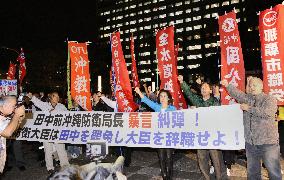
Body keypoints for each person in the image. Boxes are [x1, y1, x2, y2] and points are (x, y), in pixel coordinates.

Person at [221, 77, 282, 179]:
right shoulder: (248, 98)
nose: (252, 87)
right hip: (251, 143)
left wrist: (249, 108)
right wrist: (227, 85)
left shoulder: (269, 99)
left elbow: (268, 112)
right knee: (253, 173)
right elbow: (238, 94)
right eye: (250, 85)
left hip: (268, 143)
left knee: (273, 171)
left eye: (255, 85)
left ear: (261, 86)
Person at [178, 75, 227, 180]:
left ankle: (220, 177)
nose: (203, 89)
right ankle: (206, 177)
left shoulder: (215, 102)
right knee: (202, 157)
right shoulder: (197, 101)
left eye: (206, 87)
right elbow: (189, 93)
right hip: (200, 134)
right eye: (202, 87)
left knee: (216, 158)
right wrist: (182, 82)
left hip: (213, 134)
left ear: (210, 90)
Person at [134, 87, 176, 180]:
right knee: (161, 157)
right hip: (159, 136)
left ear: (168, 98)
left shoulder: (173, 109)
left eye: (165, 96)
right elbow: (146, 101)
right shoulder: (157, 107)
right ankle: (164, 176)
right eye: (161, 96)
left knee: (169, 158)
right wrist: (139, 92)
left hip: (169, 137)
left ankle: (169, 176)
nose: (163, 98)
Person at [27, 92, 69, 174]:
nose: (57, 98)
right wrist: (31, 97)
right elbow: (37, 102)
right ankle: (50, 168)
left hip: (58, 131)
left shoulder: (61, 106)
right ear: (50, 98)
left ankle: (65, 166)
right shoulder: (45, 105)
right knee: (48, 150)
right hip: (46, 131)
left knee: (61, 150)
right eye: (55, 96)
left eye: (58, 96)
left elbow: (68, 116)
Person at [0, 95, 25, 173]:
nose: (15, 109)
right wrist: (17, 115)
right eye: (14, 106)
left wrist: (19, 120)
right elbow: (7, 133)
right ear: (4, 105)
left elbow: (12, 130)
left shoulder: (4, 116)